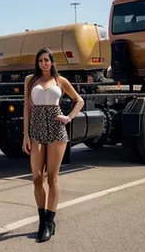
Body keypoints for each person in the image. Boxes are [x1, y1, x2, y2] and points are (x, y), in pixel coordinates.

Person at [22, 47, 84, 243]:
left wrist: (68, 118)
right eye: (41, 60)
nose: (44, 64)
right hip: (37, 128)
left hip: (57, 129)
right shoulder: (30, 80)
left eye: (47, 60)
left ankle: (49, 222)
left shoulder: (60, 81)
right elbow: (27, 107)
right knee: (36, 177)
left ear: (52, 62)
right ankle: (42, 220)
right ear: (37, 63)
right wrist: (26, 135)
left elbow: (79, 100)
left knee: (52, 178)